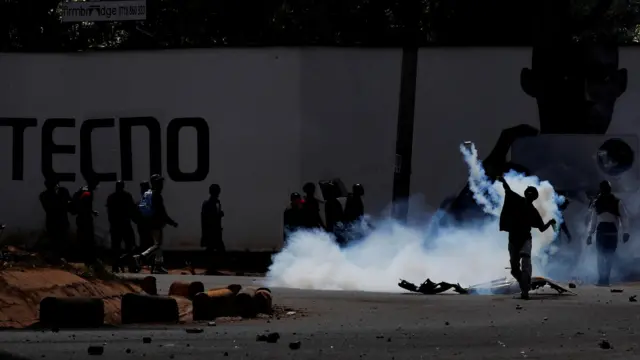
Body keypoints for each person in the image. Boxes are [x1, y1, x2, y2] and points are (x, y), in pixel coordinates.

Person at [498, 176, 556, 300]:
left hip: (525, 240)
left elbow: (541, 228)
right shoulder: (517, 200)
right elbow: (507, 190)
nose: (530, 195)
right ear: (525, 194)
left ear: (534, 197)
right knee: (514, 269)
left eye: (532, 193)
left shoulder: (534, 212)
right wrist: (503, 181)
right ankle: (525, 284)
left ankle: (525, 291)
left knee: (526, 264)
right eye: (528, 192)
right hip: (513, 239)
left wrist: (550, 222)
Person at [586, 180, 630, 286]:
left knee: (602, 256)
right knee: (607, 256)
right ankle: (604, 279)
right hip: (610, 232)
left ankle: (603, 279)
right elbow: (624, 218)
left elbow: (593, 221)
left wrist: (590, 235)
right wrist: (626, 232)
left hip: (603, 232)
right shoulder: (615, 201)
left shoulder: (598, 202)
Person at [134, 174, 178, 274]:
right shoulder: (156, 195)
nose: (161, 185)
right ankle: (141, 257)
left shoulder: (148, 194)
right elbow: (162, 212)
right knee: (157, 245)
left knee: (157, 245)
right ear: (155, 183)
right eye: (159, 182)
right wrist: (172, 222)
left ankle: (157, 266)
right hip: (156, 224)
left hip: (150, 223)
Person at [106, 181, 137, 273]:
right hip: (125, 224)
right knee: (129, 246)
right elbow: (131, 209)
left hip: (116, 225)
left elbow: (109, 212)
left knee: (116, 247)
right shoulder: (127, 196)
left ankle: (116, 266)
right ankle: (130, 266)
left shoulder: (111, 197)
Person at [39, 178, 72, 260]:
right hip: (53, 222)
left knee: (63, 241)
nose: (57, 186)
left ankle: (62, 257)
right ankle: (55, 258)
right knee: (55, 242)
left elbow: (69, 205)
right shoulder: (45, 196)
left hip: (62, 221)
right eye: (54, 185)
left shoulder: (63, 192)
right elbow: (53, 207)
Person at [71, 178, 100, 265]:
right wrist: (89, 212)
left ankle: (84, 257)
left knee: (83, 237)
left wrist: (92, 211)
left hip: (83, 217)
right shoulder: (87, 192)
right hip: (84, 218)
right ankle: (86, 258)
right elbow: (84, 205)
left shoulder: (84, 190)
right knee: (87, 238)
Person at [201, 184, 225, 274]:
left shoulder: (216, 202)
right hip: (211, 230)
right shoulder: (209, 203)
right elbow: (208, 217)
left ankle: (211, 267)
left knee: (212, 249)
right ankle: (211, 267)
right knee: (215, 249)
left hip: (215, 230)